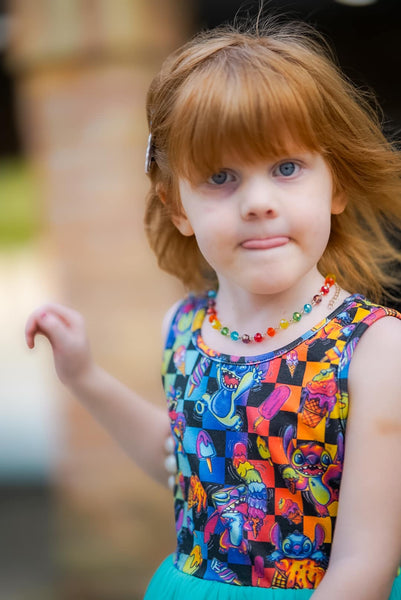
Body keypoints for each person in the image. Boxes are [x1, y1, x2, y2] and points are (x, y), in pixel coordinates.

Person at [25, 17, 401, 600]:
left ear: (337, 184)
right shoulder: (185, 327)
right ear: (177, 207)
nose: (258, 202)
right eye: (221, 177)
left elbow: (366, 562)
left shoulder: (375, 347)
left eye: (286, 168)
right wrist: (84, 376)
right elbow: (184, 463)